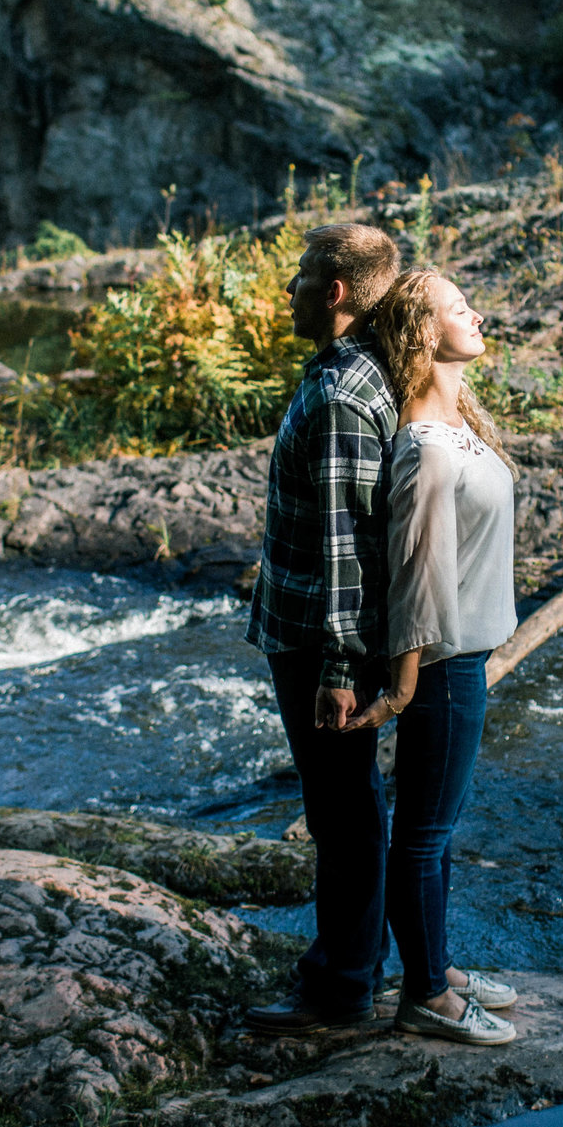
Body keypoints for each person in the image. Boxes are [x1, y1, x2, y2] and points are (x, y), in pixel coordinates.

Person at [348, 268, 521, 1044]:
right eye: (459, 308)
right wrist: (403, 687)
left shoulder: (456, 428)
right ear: (423, 331)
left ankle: (437, 966)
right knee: (421, 835)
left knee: (436, 832)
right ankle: (425, 994)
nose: (476, 314)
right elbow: (415, 575)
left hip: (465, 660)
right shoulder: (426, 447)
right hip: (444, 669)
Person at [243, 222, 403, 1034]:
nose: (291, 287)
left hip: (317, 637)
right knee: (351, 805)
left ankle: (341, 990)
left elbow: (348, 546)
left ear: (334, 292)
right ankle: (354, 969)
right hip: (314, 630)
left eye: (302, 274)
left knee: (341, 812)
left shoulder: (341, 397)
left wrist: (341, 667)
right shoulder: (355, 374)